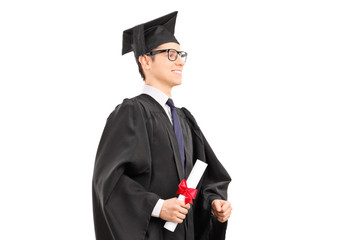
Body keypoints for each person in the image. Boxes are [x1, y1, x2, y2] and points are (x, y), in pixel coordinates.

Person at [92, 11, 232, 240]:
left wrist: (214, 202)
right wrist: (157, 207)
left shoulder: (184, 119)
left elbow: (206, 175)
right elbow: (108, 182)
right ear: (145, 60)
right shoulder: (132, 113)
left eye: (180, 54)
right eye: (170, 54)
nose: (179, 61)